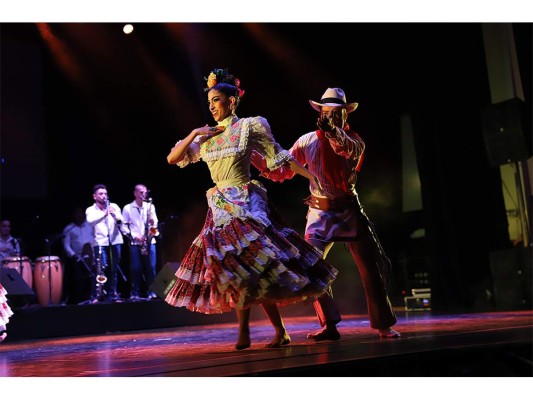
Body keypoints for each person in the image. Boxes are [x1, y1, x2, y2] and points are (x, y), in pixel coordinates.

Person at [164, 68, 338, 350]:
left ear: (232, 102)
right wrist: (195, 132)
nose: (211, 106)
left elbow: (278, 156)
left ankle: (252, 332)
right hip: (220, 211)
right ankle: (275, 331)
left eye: (217, 100)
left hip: (246, 206)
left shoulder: (249, 126)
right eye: (209, 101)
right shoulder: (205, 137)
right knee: (243, 274)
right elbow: (173, 158)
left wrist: (312, 177)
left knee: (254, 270)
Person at [255, 87, 400, 340]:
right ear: (319, 113)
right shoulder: (307, 140)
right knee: (311, 266)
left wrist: (333, 132)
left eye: (336, 114)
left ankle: (383, 324)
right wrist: (258, 161)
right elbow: (284, 169)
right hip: (320, 213)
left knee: (371, 268)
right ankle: (329, 324)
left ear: (345, 115)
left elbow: (347, 150)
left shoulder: (354, 141)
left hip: (349, 211)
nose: (331, 118)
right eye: (326, 113)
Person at [85, 184, 126, 302]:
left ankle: (112, 294)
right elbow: (90, 221)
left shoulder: (114, 206)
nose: (104, 196)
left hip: (115, 241)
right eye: (101, 194)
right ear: (94, 196)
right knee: (101, 268)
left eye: (105, 194)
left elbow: (121, 220)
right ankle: (97, 295)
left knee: (113, 269)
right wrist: (104, 214)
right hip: (100, 242)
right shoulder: (90, 210)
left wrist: (114, 214)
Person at [122, 184, 159, 301]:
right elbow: (123, 226)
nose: (144, 194)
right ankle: (135, 293)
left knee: (151, 268)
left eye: (145, 192)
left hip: (149, 241)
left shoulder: (150, 207)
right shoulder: (128, 208)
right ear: (135, 193)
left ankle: (152, 292)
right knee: (135, 268)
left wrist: (152, 227)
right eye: (141, 192)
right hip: (135, 243)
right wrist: (134, 236)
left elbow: (155, 225)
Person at [62, 206, 94, 304]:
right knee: (78, 277)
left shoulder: (89, 226)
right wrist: (73, 255)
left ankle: (93, 296)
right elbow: (66, 245)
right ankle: (80, 299)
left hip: (91, 255)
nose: (79, 215)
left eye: (81, 213)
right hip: (78, 257)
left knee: (94, 275)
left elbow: (94, 238)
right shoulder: (69, 228)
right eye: (77, 213)